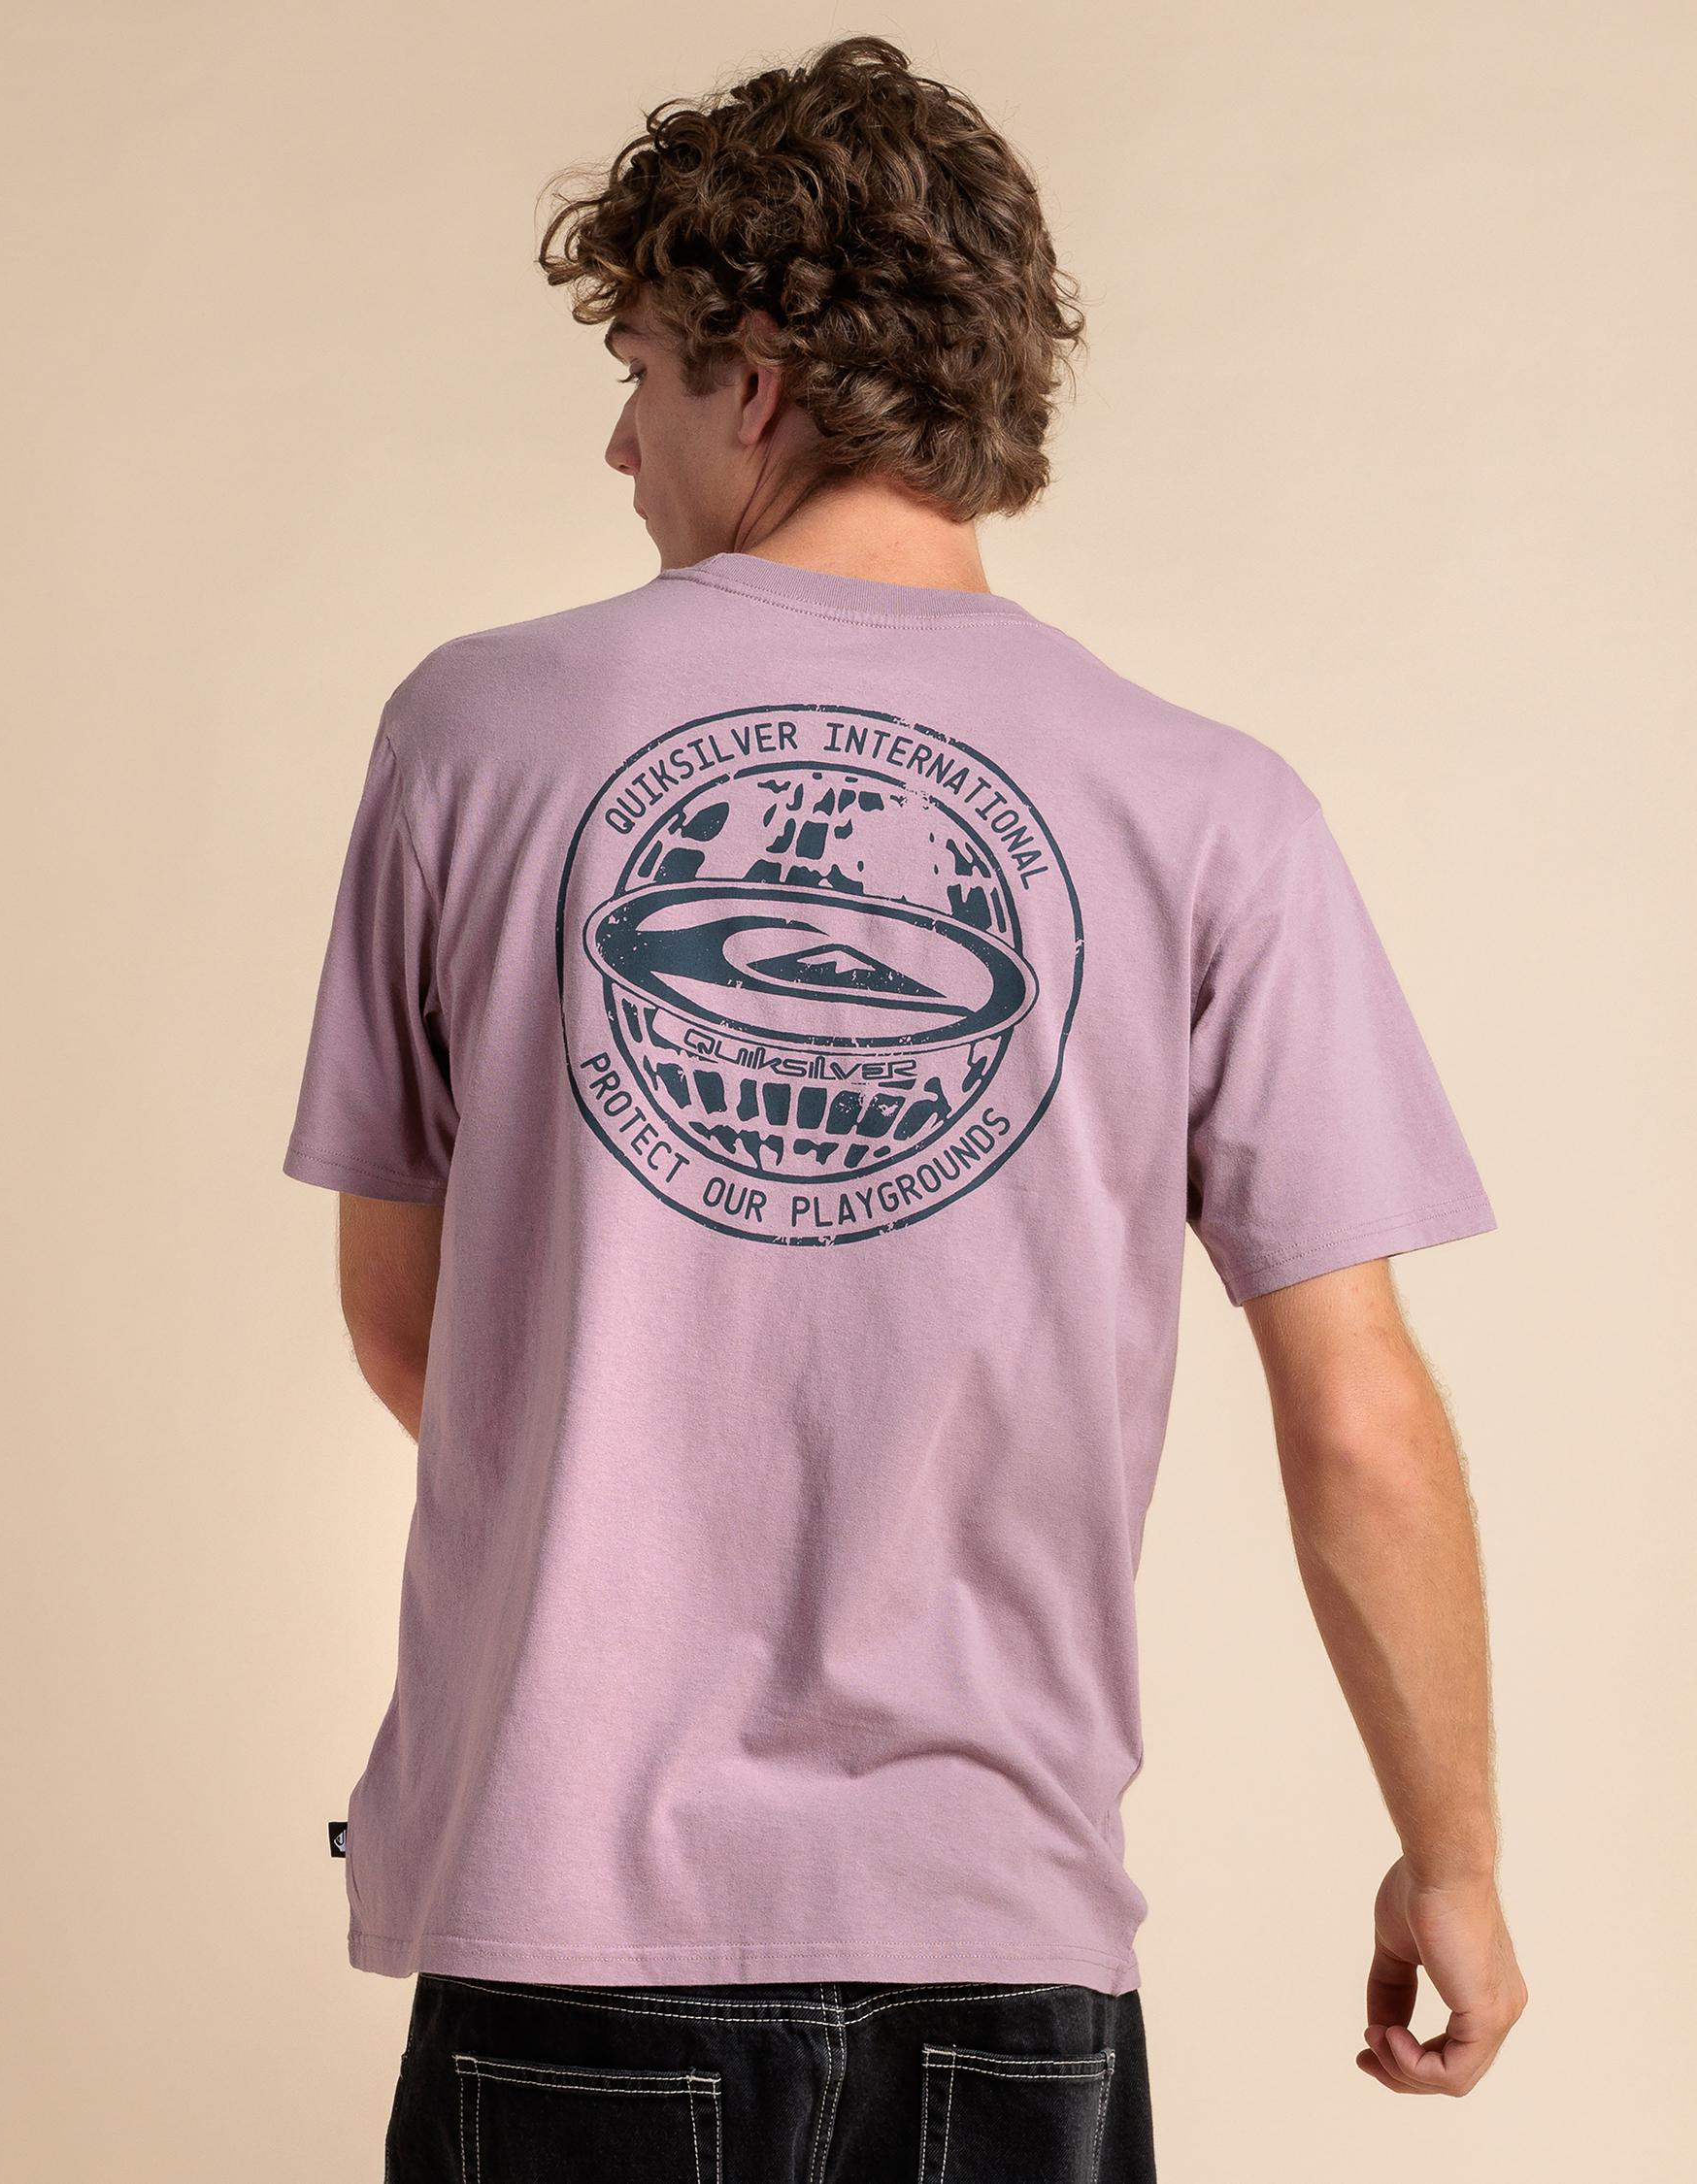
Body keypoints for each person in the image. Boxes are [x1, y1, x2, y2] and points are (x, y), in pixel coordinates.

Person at [283, 34, 1525, 2181]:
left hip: (573, 1928)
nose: (621, 440)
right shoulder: (1209, 808)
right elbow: (1358, 1414)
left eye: (645, 373)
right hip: (1005, 1940)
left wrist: (654, 1497)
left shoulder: (473, 734)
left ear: (756, 383)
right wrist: (1457, 1858)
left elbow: (416, 1327)